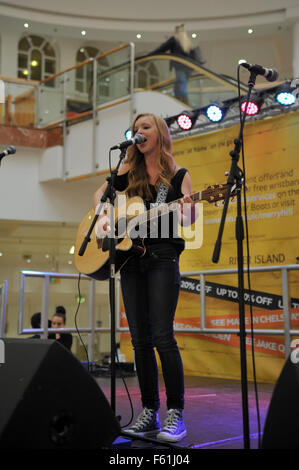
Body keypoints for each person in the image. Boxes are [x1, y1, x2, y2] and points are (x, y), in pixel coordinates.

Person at [93, 113, 198, 442]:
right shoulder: (127, 173)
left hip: (162, 258)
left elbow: (190, 217)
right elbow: (99, 198)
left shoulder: (178, 175)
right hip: (130, 261)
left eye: (146, 127)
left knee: (162, 337)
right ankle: (149, 411)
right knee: (139, 340)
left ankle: (175, 414)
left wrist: (189, 209)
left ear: (161, 134)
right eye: (136, 129)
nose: (139, 133)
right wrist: (105, 219)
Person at [148, 24, 194, 105]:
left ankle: (185, 103)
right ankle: (179, 101)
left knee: (180, 84)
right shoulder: (187, 40)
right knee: (179, 83)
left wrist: (149, 55)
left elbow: (162, 48)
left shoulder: (174, 39)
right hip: (188, 68)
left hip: (179, 67)